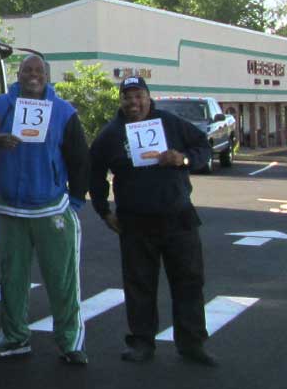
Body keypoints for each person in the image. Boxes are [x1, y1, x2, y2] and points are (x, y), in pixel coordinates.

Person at [88, 77, 217, 366]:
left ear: (148, 97)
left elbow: (203, 148)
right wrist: (103, 211)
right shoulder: (111, 134)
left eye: (138, 96)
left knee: (189, 283)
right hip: (135, 222)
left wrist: (182, 159)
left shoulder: (171, 123)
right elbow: (94, 173)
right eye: (127, 98)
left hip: (178, 218)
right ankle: (142, 342)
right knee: (139, 285)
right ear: (120, 101)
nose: (133, 103)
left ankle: (192, 344)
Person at [0, 54, 91, 366]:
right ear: (18, 74)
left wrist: (75, 201)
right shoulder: (1, 105)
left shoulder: (63, 111)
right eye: (27, 70)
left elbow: (79, 158)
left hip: (51, 209)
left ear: (46, 75)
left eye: (38, 71)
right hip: (11, 210)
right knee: (12, 279)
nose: (33, 75)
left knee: (62, 280)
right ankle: (15, 337)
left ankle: (70, 341)